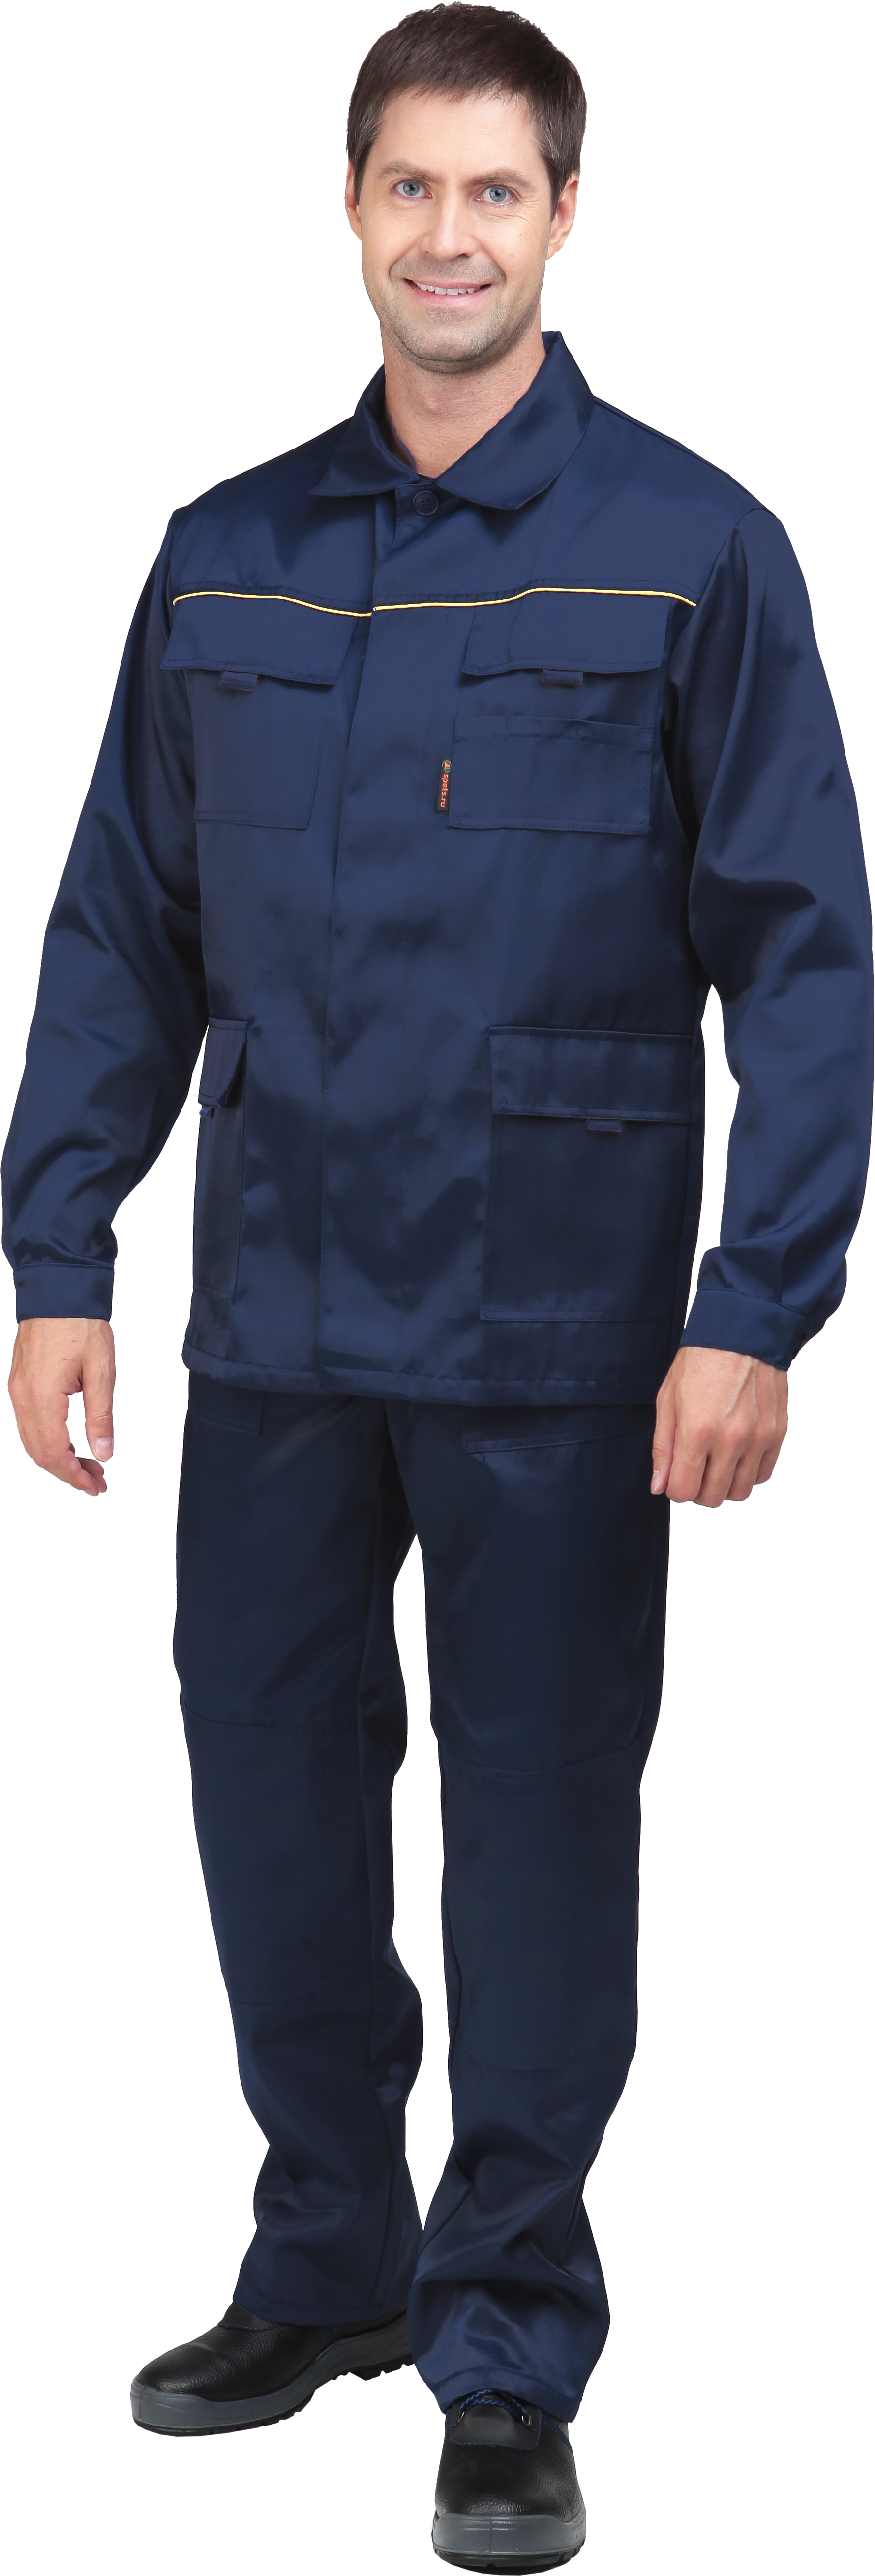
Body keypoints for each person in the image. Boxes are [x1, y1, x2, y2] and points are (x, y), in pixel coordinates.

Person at [3, 4, 871, 2567]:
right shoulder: (227, 549)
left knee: (537, 1846)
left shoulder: (691, 545)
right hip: (276, 1309)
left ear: (564, 217)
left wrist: (759, 1306)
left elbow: (807, 958)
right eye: (413, 187)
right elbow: (124, 927)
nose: (452, 235)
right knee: (276, 1808)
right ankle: (326, 2264)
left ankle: (507, 2339)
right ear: (355, 210)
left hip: (562, 1333)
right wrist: (60, 1246)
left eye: (499, 191)